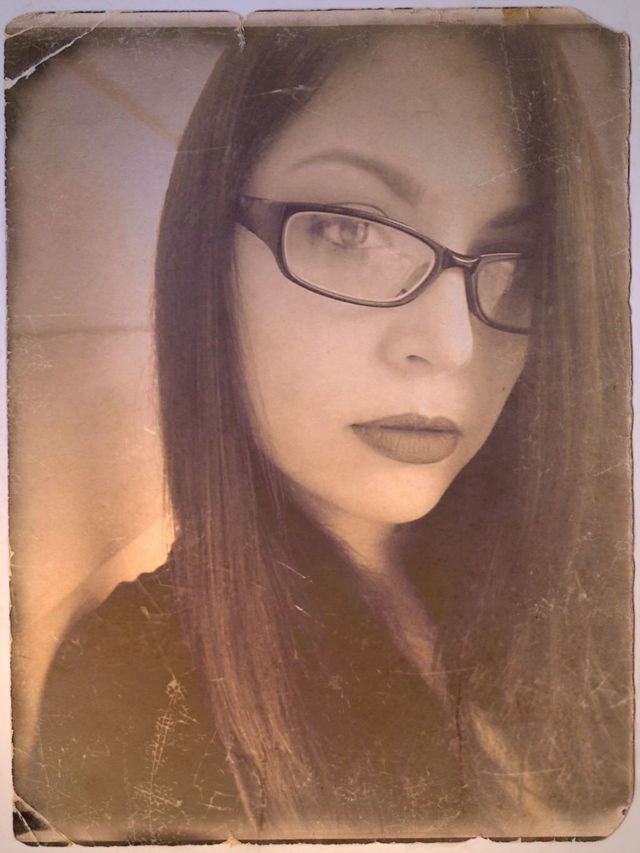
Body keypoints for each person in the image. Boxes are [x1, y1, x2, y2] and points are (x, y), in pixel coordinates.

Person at [20, 22, 632, 844]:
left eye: (517, 261)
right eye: (351, 229)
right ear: (209, 257)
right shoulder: (134, 681)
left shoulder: (591, 599)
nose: (453, 345)